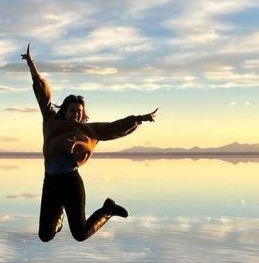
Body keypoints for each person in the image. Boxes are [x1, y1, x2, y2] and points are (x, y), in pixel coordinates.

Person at [21, 44, 157, 242]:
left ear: (83, 114)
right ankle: (58, 220)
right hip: (50, 181)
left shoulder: (89, 130)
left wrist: (140, 118)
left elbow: (114, 127)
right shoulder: (51, 121)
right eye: (72, 110)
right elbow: (42, 93)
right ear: (65, 111)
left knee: (80, 233)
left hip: (70, 182)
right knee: (45, 235)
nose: (76, 113)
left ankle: (107, 210)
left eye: (79, 111)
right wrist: (31, 64)